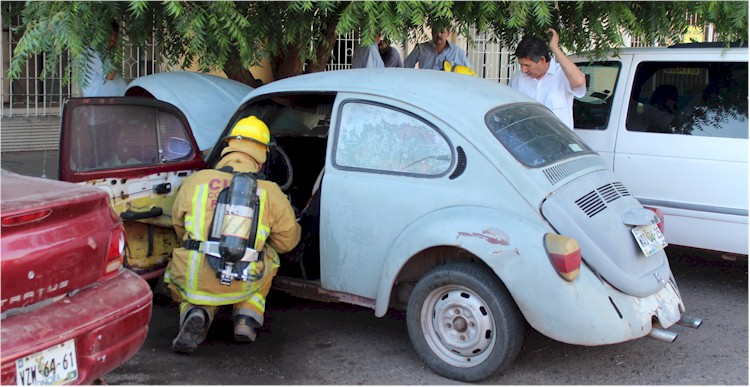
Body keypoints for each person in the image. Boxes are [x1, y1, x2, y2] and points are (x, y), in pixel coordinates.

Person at [165, 116, 301, 354]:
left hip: (194, 276)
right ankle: (246, 317)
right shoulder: (270, 192)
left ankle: (196, 311)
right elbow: (287, 242)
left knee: (187, 259)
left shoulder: (195, 182)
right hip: (244, 279)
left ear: (227, 149)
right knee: (271, 256)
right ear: (262, 156)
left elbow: (179, 228)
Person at [509, 28, 586, 129]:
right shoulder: (518, 78)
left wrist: (554, 48)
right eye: (521, 65)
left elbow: (579, 82)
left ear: (542, 60)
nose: (524, 70)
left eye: (528, 65)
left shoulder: (562, 75)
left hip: (557, 142)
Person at [403, 21, 471, 71]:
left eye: (442, 32)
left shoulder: (457, 52)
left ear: (448, 33)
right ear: (432, 32)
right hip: (424, 87)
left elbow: (469, 73)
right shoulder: (421, 48)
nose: (438, 35)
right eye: (436, 31)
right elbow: (405, 67)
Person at [83, 22, 128, 97]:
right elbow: (110, 75)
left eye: (115, 35)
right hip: (101, 103)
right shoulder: (92, 51)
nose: (113, 39)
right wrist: (117, 52)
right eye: (110, 34)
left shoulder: (108, 51)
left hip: (114, 102)